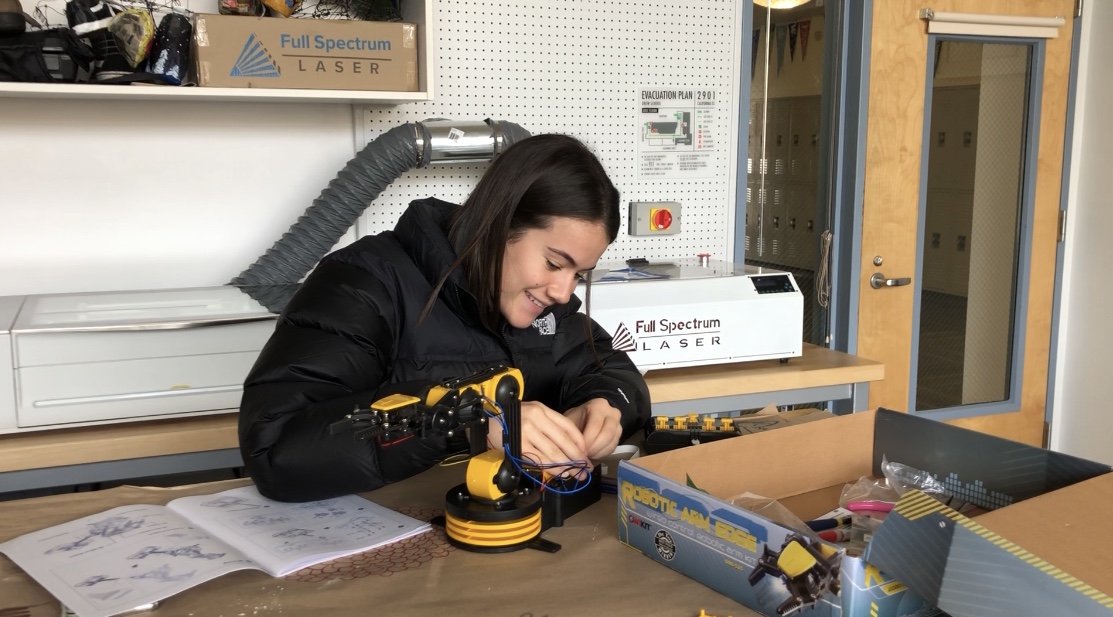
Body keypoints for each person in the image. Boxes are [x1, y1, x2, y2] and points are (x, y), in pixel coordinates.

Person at [238, 133, 651, 502]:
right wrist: (467, 420)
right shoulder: (363, 284)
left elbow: (615, 373)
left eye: (578, 274)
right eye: (553, 263)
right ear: (500, 223)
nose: (563, 292)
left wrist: (604, 404)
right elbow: (276, 451)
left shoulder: (546, 307)